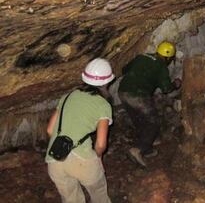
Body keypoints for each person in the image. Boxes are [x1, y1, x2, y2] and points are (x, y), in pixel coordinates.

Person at [46, 58, 114, 203]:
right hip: (83, 160)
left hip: (55, 158)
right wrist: (98, 157)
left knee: (71, 199)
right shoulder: (103, 105)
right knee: (99, 196)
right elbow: (101, 144)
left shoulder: (67, 97)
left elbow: (50, 129)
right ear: (106, 82)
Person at [118, 41, 181, 167]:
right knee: (153, 122)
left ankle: (147, 148)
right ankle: (138, 150)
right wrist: (176, 84)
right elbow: (166, 89)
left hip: (123, 92)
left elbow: (124, 70)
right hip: (138, 94)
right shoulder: (161, 66)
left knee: (140, 119)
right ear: (168, 57)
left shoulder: (142, 57)